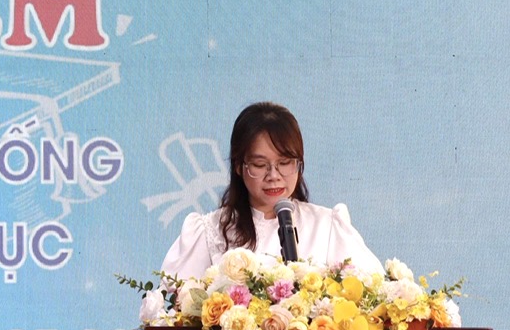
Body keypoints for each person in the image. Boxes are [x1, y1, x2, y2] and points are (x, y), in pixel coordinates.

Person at [155, 101, 384, 282]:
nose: (273, 175)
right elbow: (176, 311)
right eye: (259, 164)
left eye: (284, 163)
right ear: (239, 166)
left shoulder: (327, 226)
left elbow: (374, 298)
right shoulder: (210, 231)